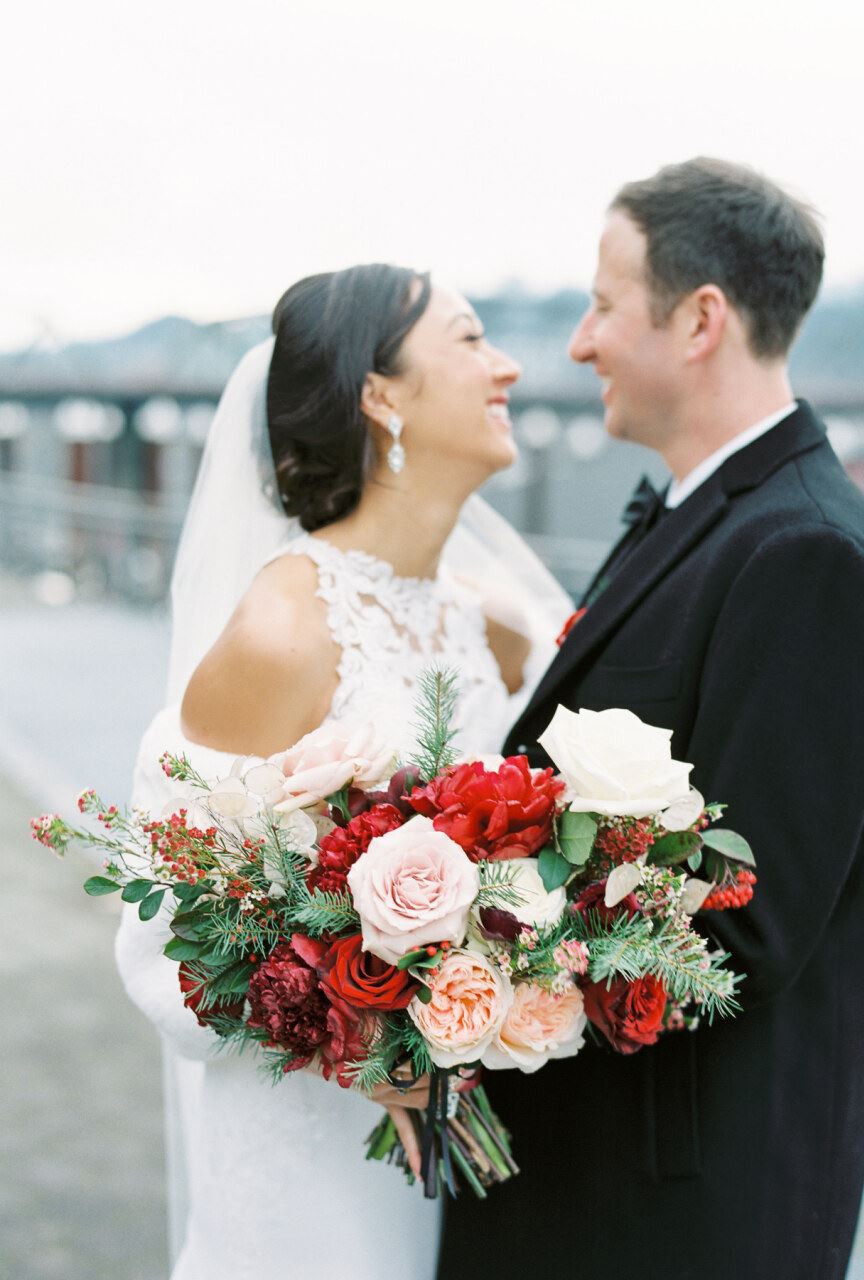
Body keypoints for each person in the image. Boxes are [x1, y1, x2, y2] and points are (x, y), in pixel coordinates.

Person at [439, 159, 864, 1279]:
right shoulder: (704, 516)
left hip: (674, 1214)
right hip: (595, 1182)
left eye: (604, 304)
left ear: (701, 319)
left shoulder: (807, 557)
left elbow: (742, 929)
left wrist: (450, 925)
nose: (579, 341)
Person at [115, 264, 571, 1280]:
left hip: (459, 1146)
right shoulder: (282, 630)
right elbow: (169, 945)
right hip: (308, 1165)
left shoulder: (494, 623)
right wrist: (365, 1037)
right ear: (381, 393)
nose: (508, 365)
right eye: (468, 339)